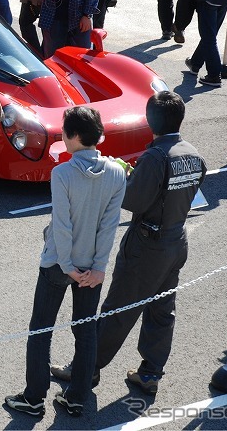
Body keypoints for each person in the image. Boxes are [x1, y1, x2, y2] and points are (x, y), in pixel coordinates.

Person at [50, 91, 205, 398]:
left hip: (147, 244)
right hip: (176, 240)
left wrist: (123, 174)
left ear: (151, 121)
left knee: (116, 310)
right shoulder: (193, 155)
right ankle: (150, 372)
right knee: (162, 309)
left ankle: (86, 368)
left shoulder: (155, 157)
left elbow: (135, 200)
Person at [4, 106, 125, 419]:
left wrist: (68, 264)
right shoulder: (115, 173)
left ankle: (33, 399)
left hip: (59, 264)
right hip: (92, 270)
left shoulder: (62, 173)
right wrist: (98, 268)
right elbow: (109, 225)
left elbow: (62, 225)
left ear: (72, 136)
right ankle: (76, 398)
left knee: (40, 331)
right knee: (85, 332)